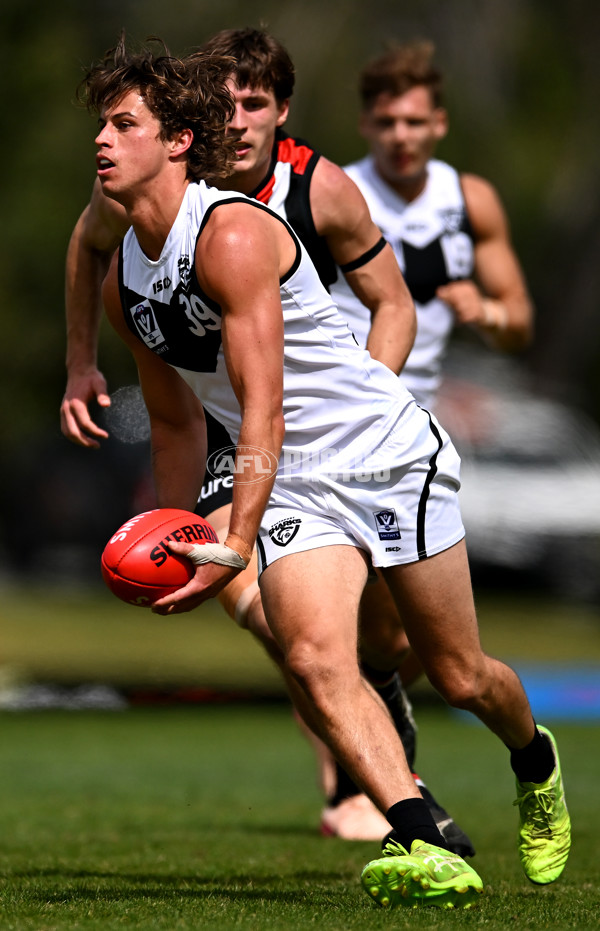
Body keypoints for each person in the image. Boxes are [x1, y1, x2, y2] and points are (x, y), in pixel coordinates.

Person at [79, 35, 570, 910]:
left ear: (176, 142)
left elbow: (261, 409)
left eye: (124, 125)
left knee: (459, 675)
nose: (103, 143)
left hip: (381, 453)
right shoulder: (126, 279)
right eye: (101, 128)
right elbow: (176, 421)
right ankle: (426, 835)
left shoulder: (229, 234)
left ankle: (534, 759)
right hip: (296, 478)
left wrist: (234, 538)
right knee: (311, 653)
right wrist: (182, 533)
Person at [321, 36, 536, 832]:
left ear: (438, 124)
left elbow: (520, 324)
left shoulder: (468, 199)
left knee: (428, 655)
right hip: (336, 429)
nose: (400, 136)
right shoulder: (336, 193)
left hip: (414, 437)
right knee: (341, 632)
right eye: (385, 122)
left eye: (414, 121)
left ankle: (507, 755)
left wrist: (490, 311)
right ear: (367, 126)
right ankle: (366, 785)